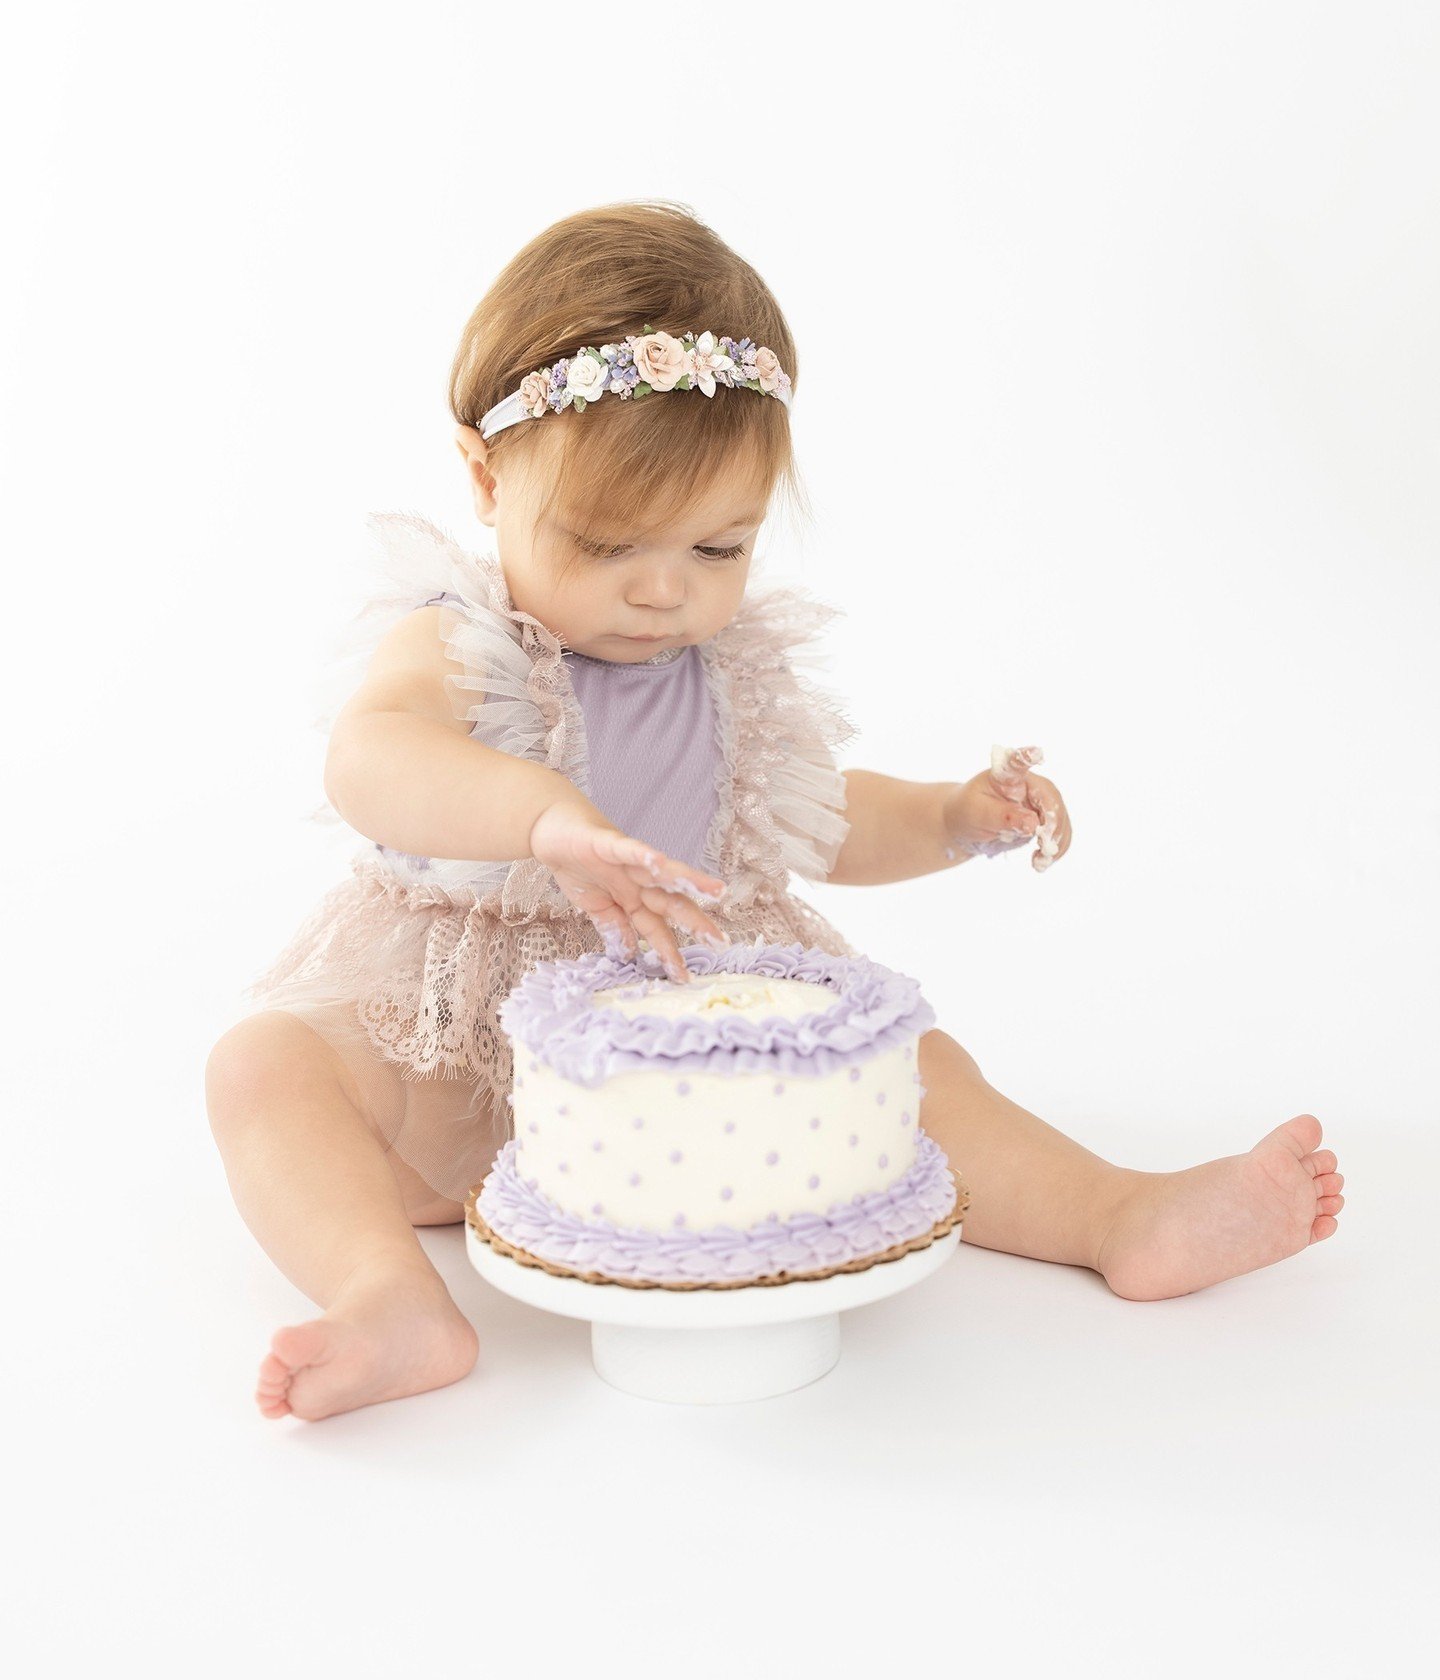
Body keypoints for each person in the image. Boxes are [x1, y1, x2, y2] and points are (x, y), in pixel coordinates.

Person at [206, 199, 1345, 1424]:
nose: (661, 591)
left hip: (705, 1048)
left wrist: (956, 816)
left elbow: (816, 823)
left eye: (718, 548)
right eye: (604, 543)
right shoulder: (463, 643)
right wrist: (540, 814)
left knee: (915, 1074)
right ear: (486, 477)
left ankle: (1117, 1214)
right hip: (463, 1072)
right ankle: (389, 1297)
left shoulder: (729, 677)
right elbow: (372, 758)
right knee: (266, 1068)